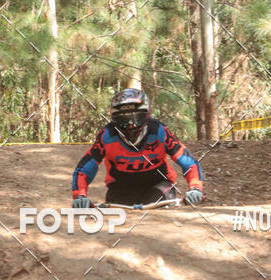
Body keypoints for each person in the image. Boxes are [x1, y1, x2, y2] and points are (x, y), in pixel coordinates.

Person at [72, 89, 204, 208]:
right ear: (114, 119)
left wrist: (195, 188)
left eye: (136, 117)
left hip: (158, 186)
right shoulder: (107, 136)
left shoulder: (159, 131)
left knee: (159, 211)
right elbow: (85, 167)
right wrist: (80, 196)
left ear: (147, 115)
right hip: (121, 189)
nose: (130, 125)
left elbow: (189, 161)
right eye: (124, 118)